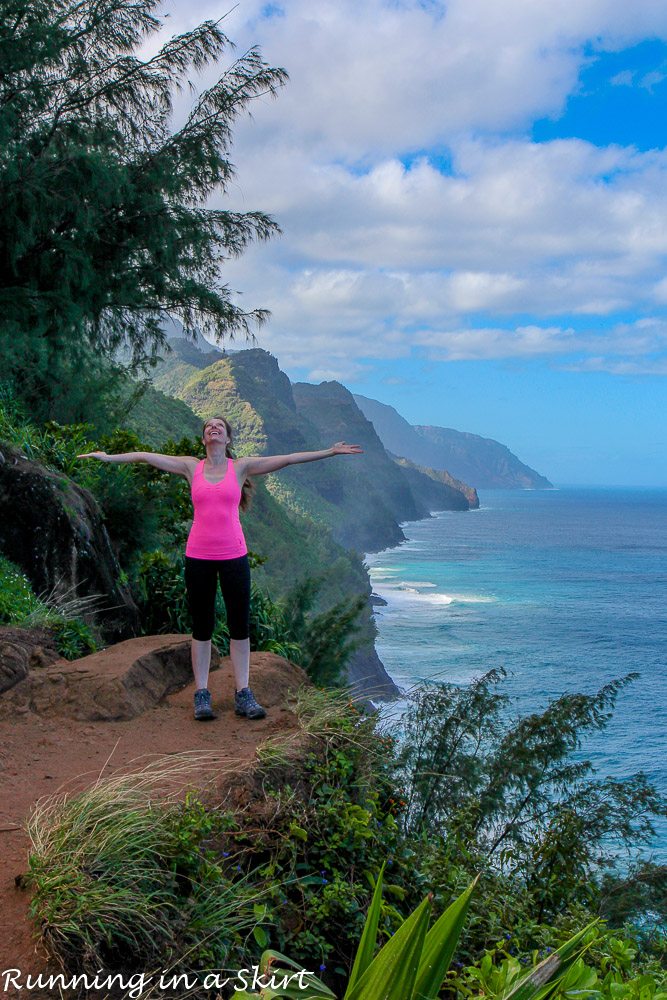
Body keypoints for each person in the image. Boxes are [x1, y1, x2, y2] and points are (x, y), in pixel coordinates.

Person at [78, 417, 363, 721]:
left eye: (219, 427)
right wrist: (108, 458)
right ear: (204, 439)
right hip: (198, 556)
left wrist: (329, 452)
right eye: (208, 427)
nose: (213, 428)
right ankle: (202, 694)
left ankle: (243, 693)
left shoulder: (239, 468)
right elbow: (146, 457)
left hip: (234, 557)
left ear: (228, 439)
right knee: (202, 626)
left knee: (239, 626)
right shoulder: (191, 467)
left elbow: (289, 460)